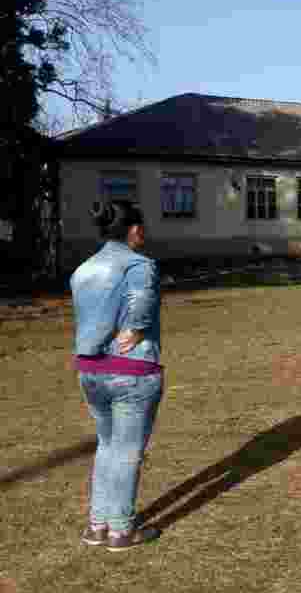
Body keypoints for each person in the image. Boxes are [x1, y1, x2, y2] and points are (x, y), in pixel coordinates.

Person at [71, 201, 163, 551]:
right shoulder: (139, 264)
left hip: (91, 370)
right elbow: (142, 298)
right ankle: (122, 530)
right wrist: (137, 329)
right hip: (132, 370)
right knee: (126, 452)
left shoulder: (82, 269)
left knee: (107, 446)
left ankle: (97, 525)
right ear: (135, 230)